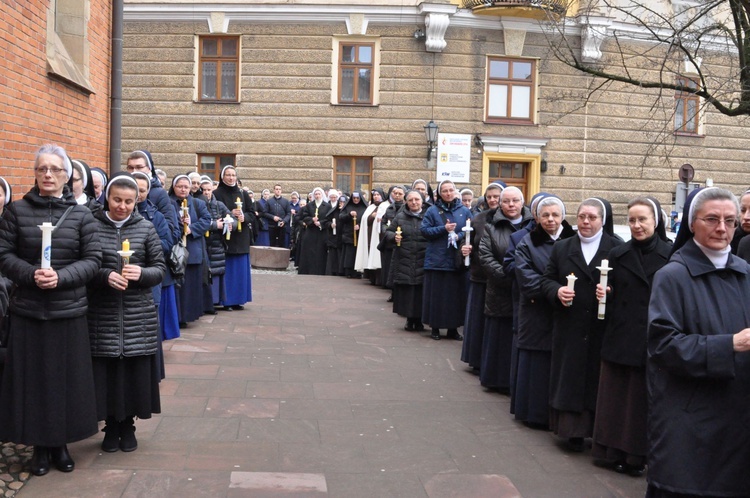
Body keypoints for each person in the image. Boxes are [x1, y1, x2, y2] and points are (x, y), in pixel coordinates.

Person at [0, 144, 101, 476]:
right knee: (33, 383)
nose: (47, 175)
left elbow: (92, 260)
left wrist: (60, 277)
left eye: (55, 169)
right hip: (29, 310)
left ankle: (60, 444)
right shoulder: (16, 212)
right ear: (35, 173)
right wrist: (31, 275)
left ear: (67, 175)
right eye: (42, 169)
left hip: (67, 311)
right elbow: (3, 254)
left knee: (64, 382)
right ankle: (39, 448)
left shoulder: (83, 216)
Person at [647, 187, 750, 496]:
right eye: (712, 219)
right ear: (692, 223)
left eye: (730, 221)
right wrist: (728, 344)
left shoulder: (745, 273)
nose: (722, 228)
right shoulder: (672, 276)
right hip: (691, 418)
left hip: (738, 419)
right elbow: (663, 346)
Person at [590, 196, 671, 475]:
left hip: (650, 339)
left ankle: (636, 456)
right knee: (615, 399)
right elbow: (607, 294)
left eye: (643, 219)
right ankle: (611, 452)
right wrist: (605, 294)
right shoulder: (617, 254)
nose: (637, 226)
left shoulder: (670, 255)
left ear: (655, 221)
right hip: (620, 337)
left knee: (639, 403)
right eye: (632, 220)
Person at [88, 173, 165, 453]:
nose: (122, 206)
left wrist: (141, 273)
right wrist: (104, 275)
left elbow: (160, 267)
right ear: (107, 198)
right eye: (117, 199)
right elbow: (85, 264)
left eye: (129, 201)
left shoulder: (145, 228)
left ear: (137, 201)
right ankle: (110, 425)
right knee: (107, 373)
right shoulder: (92, 226)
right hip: (103, 312)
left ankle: (128, 425)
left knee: (132, 373)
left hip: (136, 314)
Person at [540, 198, 622, 452]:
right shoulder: (563, 247)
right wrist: (557, 291)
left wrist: (611, 291)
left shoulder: (617, 248)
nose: (586, 222)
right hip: (570, 325)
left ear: (602, 220)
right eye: (582, 216)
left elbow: (626, 286)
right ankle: (571, 431)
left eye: (592, 217)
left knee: (596, 378)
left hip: (600, 326)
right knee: (570, 377)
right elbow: (546, 280)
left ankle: (597, 430)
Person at [511, 196, 575, 428]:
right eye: (545, 215)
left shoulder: (574, 241)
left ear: (563, 217)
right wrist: (555, 291)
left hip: (566, 313)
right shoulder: (527, 243)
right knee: (537, 367)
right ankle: (535, 414)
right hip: (537, 312)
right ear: (537, 218)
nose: (550, 219)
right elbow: (526, 280)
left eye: (555, 215)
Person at [477, 186, 534, 391]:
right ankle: (498, 381)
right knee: (500, 340)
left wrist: (526, 280)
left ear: (522, 202)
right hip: (500, 292)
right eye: (507, 201)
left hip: (527, 293)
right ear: (500, 204)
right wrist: (509, 278)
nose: (511, 205)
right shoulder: (492, 227)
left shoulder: (534, 226)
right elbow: (485, 257)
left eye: (515, 201)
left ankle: (518, 383)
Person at [126, 151, 182, 343]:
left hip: (152, 267)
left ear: (149, 169)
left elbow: (171, 232)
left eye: (139, 167)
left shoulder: (159, 197)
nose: (134, 171)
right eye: (130, 168)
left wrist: (147, 247)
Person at [420, 180, 472, 340]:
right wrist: (444, 229)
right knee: (436, 296)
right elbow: (424, 230)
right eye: (445, 191)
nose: (448, 193)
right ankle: (435, 327)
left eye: (451, 190)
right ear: (439, 193)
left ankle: (453, 328)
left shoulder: (464, 211)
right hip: (437, 260)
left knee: (455, 297)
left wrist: (459, 235)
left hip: (456, 260)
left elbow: (471, 230)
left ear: (455, 192)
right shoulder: (432, 211)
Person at [461, 183, 503, 370]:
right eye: (490, 196)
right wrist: (465, 248)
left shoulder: (512, 218)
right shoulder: (478, 219)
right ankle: (477, 360)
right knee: (478, 322)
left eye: (496, 196)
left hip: (500, 278)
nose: (493, 199)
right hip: (480, 277)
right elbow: (468, 240)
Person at [169, 175, 211, 327]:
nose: (183, 189)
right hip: (175, 250)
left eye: (186, 187)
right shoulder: (169, 203)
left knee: (190, 288)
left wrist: (191, 227)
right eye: (180, 186)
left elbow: (207, 220)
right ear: (174, 187)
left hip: (192, 250)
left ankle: (187, 316)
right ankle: (176, 317)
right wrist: (179, 225)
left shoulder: (198, 203)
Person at [384, 189, 428, 331]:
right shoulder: (400, 216)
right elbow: (389, 231)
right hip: (405, 257)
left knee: (421, 290)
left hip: (423, 257)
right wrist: (393, 237)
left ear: (422, 201)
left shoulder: (429, 215)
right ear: (406, 202)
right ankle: (409, 319)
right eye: (410, 200)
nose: (414, 202)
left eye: (417, 200)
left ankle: (420, 319)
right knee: (408, 291)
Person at [212, 166, 254, 311]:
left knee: (240, 271)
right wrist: (229, 214)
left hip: (241, 238)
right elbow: (213, 211)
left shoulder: (243, 193)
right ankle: (226, 300)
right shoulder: (216, 193)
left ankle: (238, 299)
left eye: (233, 175)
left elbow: (252, 213)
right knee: (228, 270)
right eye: (228, 175)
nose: (231, 178)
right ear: (222, 177)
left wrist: (244, 217)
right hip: (225, 236)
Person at [200, 176, 234, 312]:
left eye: (209, 190)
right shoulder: (198, 204)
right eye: (204, 190)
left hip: (217, 244)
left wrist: (229, 223)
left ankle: (216, 300)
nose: (206, 192)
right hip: (204, 243)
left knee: (217, 271)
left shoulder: (219, 205)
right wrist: (216, 225)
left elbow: (232, 218)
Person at [355, 188, 386, 284]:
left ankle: (378, 279)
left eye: (378, 195)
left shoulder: (384, 206)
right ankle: (371, 278)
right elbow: (365, 220)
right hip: (368, 234)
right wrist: (371, 217)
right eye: (374, 195)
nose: (376, 196)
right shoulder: (370, 207)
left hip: (378, 235)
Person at [298, 187, 330, 275]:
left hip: (321, 232)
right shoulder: (309, 205)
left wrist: (320, 223)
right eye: (315, 194)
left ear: (322, 195)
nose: (317, 196)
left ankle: (320, 271)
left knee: (320, 252)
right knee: (309, 251)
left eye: (319, 194)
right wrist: (312, 220)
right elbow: (304, 216)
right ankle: (308, 270)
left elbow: (328, 218)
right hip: (311, 231)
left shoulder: (327, 206)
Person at [339, 191, 368, 278]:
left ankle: (358, 272)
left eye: (357, 198)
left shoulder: (364, 207)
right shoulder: (348, 207)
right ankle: (348, 271)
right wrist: (349, 214)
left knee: (358, 253)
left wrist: (359, 225)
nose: (356, 200)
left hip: (360, 234)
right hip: (349, 234)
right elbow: (341, 217)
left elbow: (367, 219)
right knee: (349, 254)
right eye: (354, 198)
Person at [324, 192, 344, 276]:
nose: (341, 204)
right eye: (340, 202)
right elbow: (326, 221)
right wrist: (330, 225)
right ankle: (331, 271)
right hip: (333, 237)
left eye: (343, 203)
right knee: (333, 255)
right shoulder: (334, 211)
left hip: (343, 237)